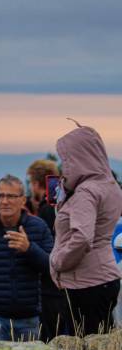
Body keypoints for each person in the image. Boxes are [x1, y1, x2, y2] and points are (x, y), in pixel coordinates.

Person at [49, 125, 122, 337]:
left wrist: (57, 261)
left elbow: (82, 238)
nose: (63, 166)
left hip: (85, 284)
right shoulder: (110, 185)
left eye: (66, 160)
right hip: (104, 280)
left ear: (79, 157)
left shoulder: (86, 192)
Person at [0, 175, 53, 342]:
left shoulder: (38, 227)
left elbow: (52, 267)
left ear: (22, 200)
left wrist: (29, 249)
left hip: (28, 318)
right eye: (0, 196)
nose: (5, 201)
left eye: (11, 196)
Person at [26, 159, 62, 340]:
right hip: (60, 282)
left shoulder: (46, 210)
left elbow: (43, 242)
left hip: (48, 285)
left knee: (48, 335)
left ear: (35, 182)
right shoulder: (58, 206)